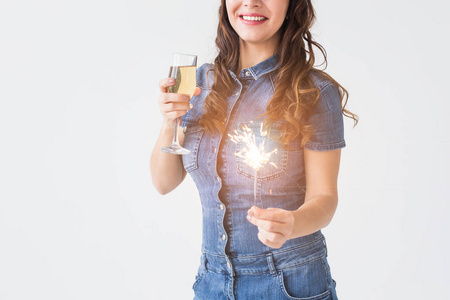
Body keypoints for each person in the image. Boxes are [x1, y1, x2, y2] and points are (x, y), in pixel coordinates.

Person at [151, 0, 358, 299]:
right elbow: (163, 183)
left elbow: (324, 199)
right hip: (212, 282)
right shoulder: (200, 82)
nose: (251, 2)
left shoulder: (314, 91)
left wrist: (293, 223)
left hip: (288, 283)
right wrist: (169, 121)